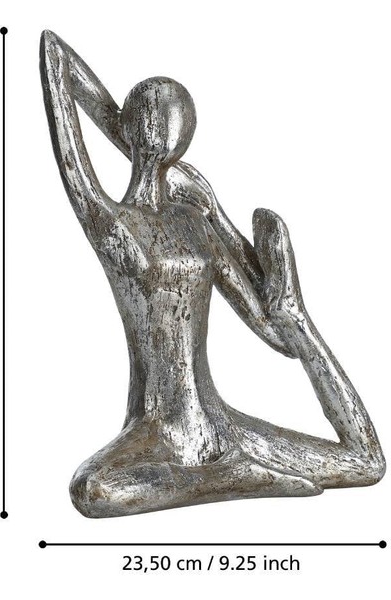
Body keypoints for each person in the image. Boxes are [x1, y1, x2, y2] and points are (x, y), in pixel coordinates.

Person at [40, 31, 385, 518]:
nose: (167, 131)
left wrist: (295, 318)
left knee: (366, 464)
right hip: (155, 431)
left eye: (174, 122)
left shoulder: (195, 221)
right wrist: (125, 139)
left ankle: (228, 474)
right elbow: (54, 53)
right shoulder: (112, 221)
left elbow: (276, 337)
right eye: (158, 118)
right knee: (93, 491)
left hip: (219, 424)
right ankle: (238, 476)